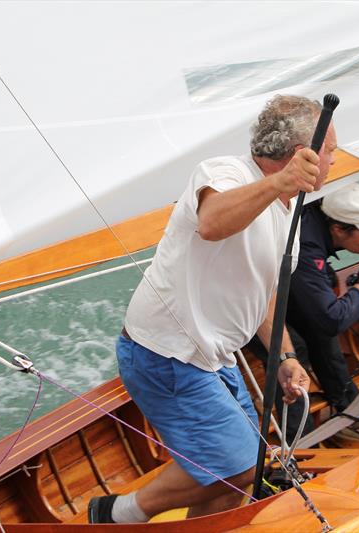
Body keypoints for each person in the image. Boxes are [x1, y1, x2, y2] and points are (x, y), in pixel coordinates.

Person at [88, 95, 338, 524]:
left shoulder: (288, 205)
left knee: (231, 481)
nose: (334, 160)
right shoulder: (225, 173)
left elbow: (263, 289)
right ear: (302, 155)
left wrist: (284, 356)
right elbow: (212, 222)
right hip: (167, 353)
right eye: (331, 150)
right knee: (242, 466)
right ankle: (116, 514)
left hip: (212, 357)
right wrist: (280, 184)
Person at [286, 182, 359, 443]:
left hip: (284, 283)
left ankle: (350, 412)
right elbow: (332, 319)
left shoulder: (318, 213)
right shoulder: (305, 247)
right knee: (294, 350)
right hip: (242, 301)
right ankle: (296, 445)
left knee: (320, 335)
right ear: (337, 228)